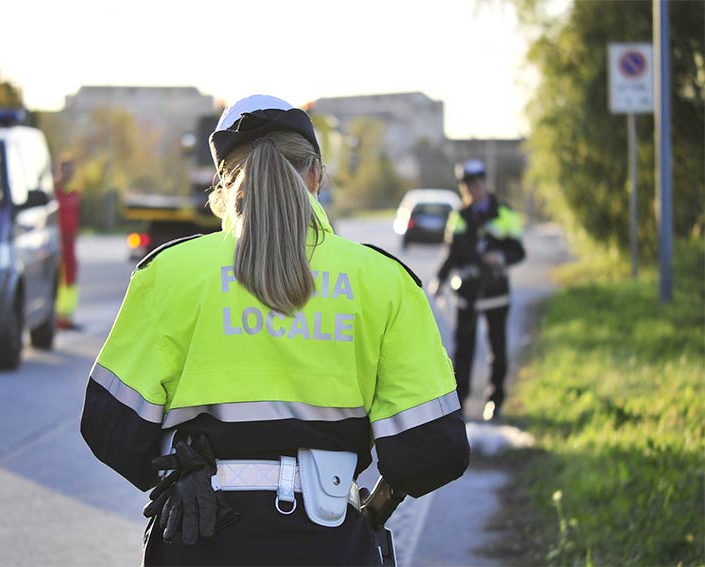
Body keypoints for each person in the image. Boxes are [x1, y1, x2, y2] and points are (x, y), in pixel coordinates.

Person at [80, 95, 470, 566]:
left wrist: (175, 471)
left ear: (222, 185)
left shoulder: (170, 273)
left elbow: (108, 425)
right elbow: (434, 449)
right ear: (316, 176)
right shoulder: (383, 281)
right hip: (329, 544)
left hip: (201, 542)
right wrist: (374, 508)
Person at [430, 159, 526, 421]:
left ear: (484, 183)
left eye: (475, 184)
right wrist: (439, 279)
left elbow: (519, 251)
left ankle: (495, 402)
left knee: (497, 348)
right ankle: (459, 404)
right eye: (466, 186)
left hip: (496, 292)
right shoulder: (459, 216)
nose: (472, 189)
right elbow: (451, 254)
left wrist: (501, 257)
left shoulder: (504, 212)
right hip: (468, 294)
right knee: (463, 351)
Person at [54, 159, 80, 330]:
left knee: (70, 278)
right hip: (55, 243)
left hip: (70, 244)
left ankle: (67, 316)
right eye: (65, 171)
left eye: (71, 171)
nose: (68, 174)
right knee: (55, 278)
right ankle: (55, 316)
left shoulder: (75, 194)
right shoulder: (54, 193)